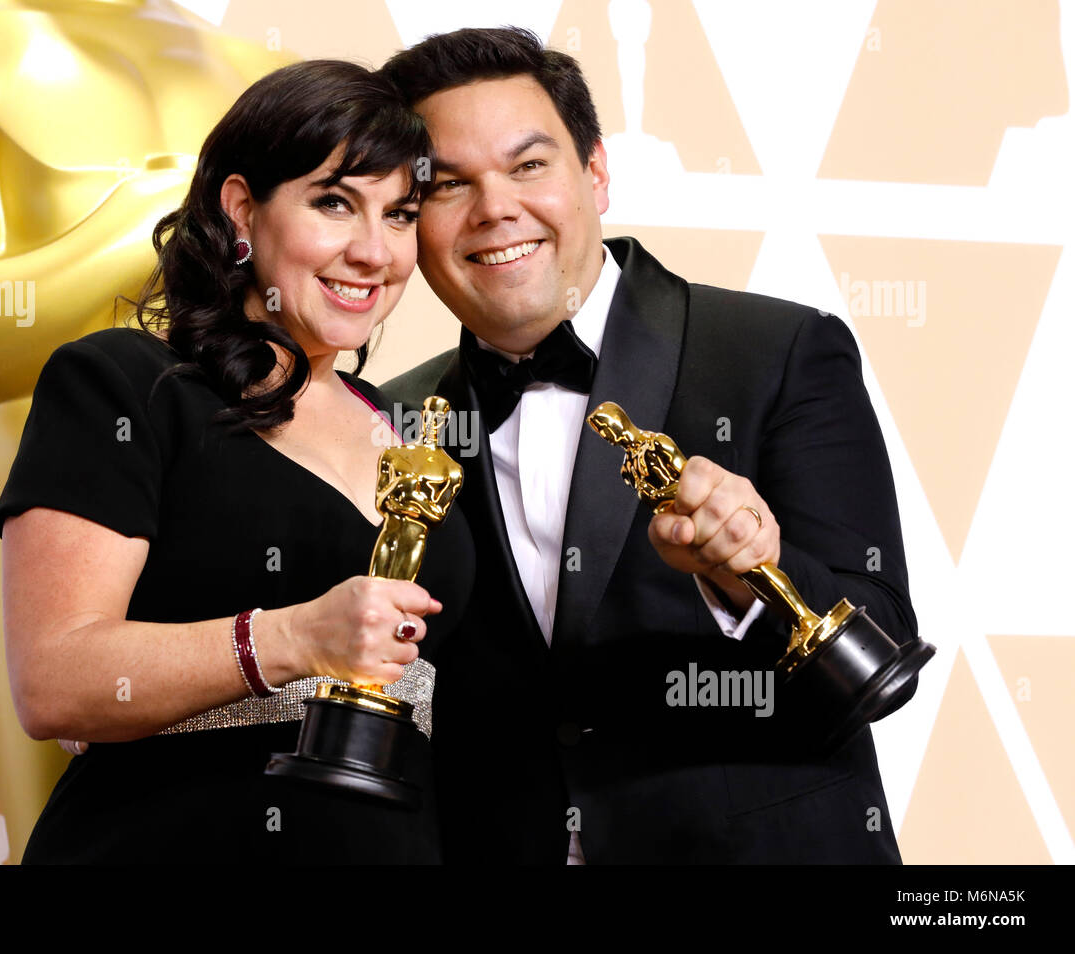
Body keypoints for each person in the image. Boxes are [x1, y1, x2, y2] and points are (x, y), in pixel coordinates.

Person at [380, 28, 928, 864]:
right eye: (450, 184)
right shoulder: (394, 418)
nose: (495, 208)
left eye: (530, 165)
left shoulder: (778, 350)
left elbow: (883, 653)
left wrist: (743, 576)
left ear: (595, 171)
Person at [0, 59, 474, 864]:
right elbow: (54, 680)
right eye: (333, 202)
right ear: (243, 207)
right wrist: (289, 638)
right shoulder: (124, 385)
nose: (372, 251)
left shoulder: (418, 439)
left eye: (399, 215)